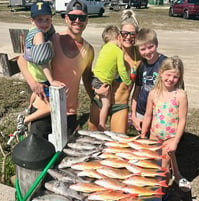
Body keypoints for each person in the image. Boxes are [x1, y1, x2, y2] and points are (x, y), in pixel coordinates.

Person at [18, 0, 95, 139]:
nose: (77, 20)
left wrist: (95, 100)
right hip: (44, 106)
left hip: (69, 110)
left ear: (87, 20)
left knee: (67, 154)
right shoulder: (52, 39)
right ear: (66, 18)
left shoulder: (89, 50)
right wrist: (33, 84)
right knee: (39, 154)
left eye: (82, 17)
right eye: (72, 17)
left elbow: (87, 78)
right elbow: (21, 60)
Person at [141, 56, 192, 192]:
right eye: (168, 74)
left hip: (169, 138)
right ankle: (151, 187)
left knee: (164, 167)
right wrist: (142, 134)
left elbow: (182, 120)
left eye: (175, 77)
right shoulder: (153, 93)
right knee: (151, 164)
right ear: (161, 73)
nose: (171, 79)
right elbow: (148, 115)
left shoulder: (180, 95)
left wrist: (175, 141)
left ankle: (161, 193)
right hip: (154, 136)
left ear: (180, 77)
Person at [88, 9, 141, 134]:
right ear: (119, 35)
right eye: (125, 33)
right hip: (100, 100)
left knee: (118, 144)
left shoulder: (139, 57)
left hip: (120, 105)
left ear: (137, 35)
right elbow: (96, 74)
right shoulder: (110, 51)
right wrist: (95, 90)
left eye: (132, 34)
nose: (128, 37)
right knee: (93, 142)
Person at [18, 1, 65, 131]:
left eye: (47, 19)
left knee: (35, 98)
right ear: (32, 21)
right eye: (40, 20)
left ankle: (29, 108)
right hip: (40, 78)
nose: (44, 23)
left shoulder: (33, 31)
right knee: (51, 107)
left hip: (34, 74)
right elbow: (43, 60)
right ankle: (25, 120)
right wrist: (51, 80)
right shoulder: (38, 34)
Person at [92, 25, 132, 131]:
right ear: (119, 37)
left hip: (95, 78)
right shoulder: (118, 51)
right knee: (106, 104)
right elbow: (122, 70)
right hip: (104, 82)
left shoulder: (104, 47)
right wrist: (127, 81)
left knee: (101, 101)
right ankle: (102, 124)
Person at [131, 28, 167, 133]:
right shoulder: (141, 65)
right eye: (143, 49)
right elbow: (136, 92)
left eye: (151, 47)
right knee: (143, 141)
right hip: (141, 112)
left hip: (159, 113)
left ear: (156, 44)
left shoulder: (165, 63)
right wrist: (134, 115)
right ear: (138, 50)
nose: (147, 52)